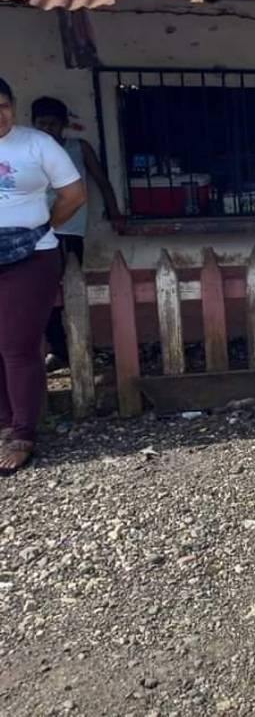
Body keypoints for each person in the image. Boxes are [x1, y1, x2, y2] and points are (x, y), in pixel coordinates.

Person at [0, 77, 86, 474]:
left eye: (2, 105)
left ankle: (23, 433)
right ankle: (4, 421)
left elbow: (74, 194)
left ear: (13, 106)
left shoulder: (36, 144)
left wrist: (42, 227)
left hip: (32, 254)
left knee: (18, 346)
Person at [29, 96, 123, 371]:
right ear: (33, 124)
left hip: (69, 231)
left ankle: (71, 348)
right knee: (43, 294)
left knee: (68, 289)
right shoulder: (24, 152)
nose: (47, 129)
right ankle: (59, 349)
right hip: (33, 232)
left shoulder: (77, 149)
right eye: (41, 123)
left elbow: (102, 182)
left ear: (64, 125)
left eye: (53, 124)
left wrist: (115, 213)